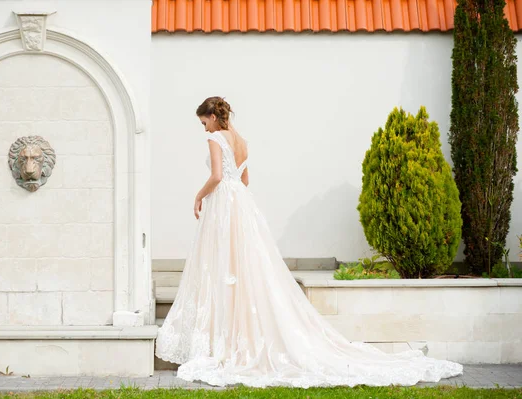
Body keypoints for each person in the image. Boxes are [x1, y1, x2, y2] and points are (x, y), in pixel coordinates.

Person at [154, 96, 463, 388]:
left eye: (203, 122)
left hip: (224, 207)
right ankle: (240, 336)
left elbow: (218, 176)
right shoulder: (243, 142)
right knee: (248, 270)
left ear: (211, 116)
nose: (203, 128)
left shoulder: (214, 138)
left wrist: (198, 196)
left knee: (222, 268)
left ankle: (225, 341)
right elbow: (244, 181)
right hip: (242, 207)